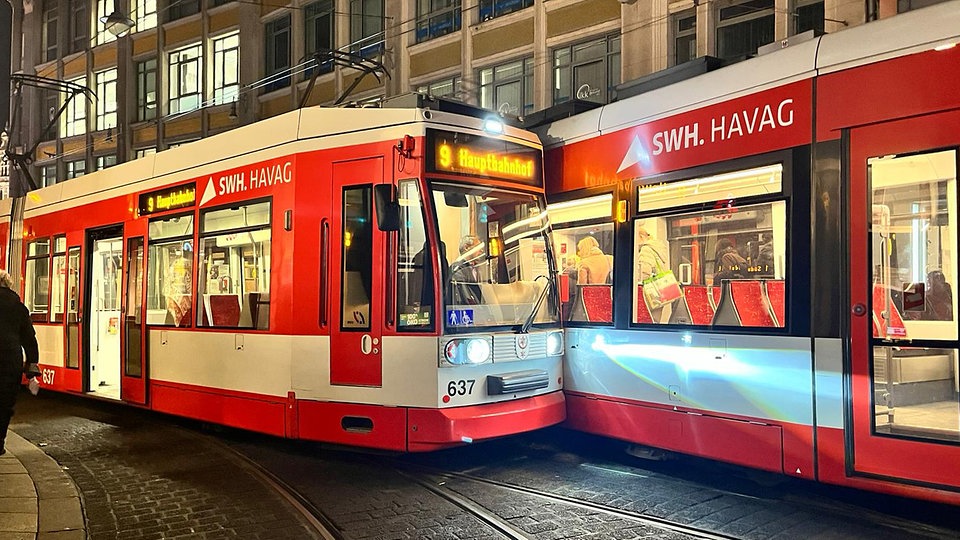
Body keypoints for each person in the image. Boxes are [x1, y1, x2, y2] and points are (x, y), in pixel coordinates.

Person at [0, 269, 41, 456]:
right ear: (8, 285)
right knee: (5, 403)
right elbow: (29, 341)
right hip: (10, 362)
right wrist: (31, 369)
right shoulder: (19, 307)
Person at [636, 227, 672, 323]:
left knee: (648, 320)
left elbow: (644, 272)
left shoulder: (646, 249)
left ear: (641, 236)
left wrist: (636, 281)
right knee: (656, 320)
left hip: (652, 290)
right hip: (661, 288)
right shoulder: (657, 248)